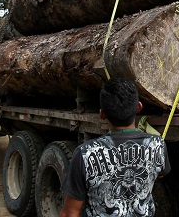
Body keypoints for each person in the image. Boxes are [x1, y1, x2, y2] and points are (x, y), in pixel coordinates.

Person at [60, 77, 171, 217]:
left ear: (102, 114)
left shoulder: (85, 153)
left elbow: (70, 213)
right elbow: (161, 173)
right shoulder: (157, 145)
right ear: (139, 107)